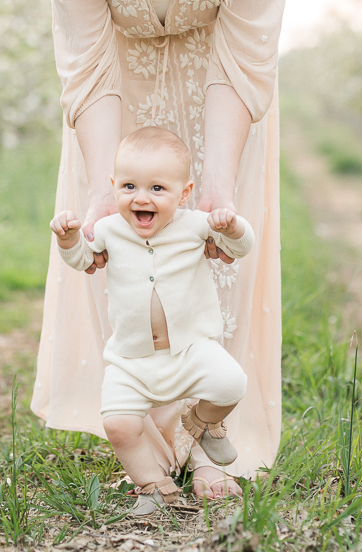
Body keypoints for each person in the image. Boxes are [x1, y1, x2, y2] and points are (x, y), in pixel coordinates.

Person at [32, 0, 286, 499]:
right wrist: (104, 187)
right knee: (122, 258)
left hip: (221, 99)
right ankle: (144, 432)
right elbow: (88, 65)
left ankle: (206, 439)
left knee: (216, 263)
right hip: (116, 107)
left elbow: (244, 58)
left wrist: (217, 183)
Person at [50, 127, 253, 514]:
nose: (141, 197)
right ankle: (154, 485)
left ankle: (204, 423)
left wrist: (232, 226)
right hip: (132, 359)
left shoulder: (195, 224)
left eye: (157, 189)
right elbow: (83, 261)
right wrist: (69, 239)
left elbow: (240, 247)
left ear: (185, 193)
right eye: (129, 186)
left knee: (230, 383)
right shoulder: (110, 229)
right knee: (119, 425)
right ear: (113, 187)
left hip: (190, 349)